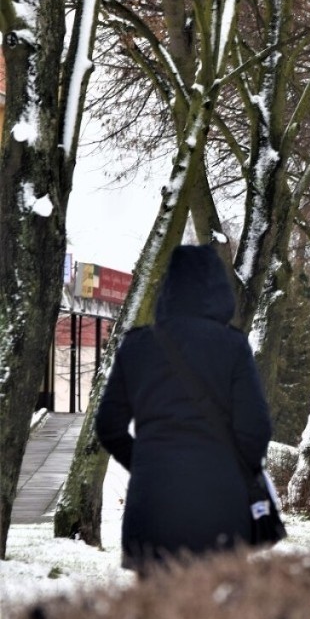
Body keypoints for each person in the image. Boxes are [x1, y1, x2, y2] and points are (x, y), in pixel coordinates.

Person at [96, 244, 273, 572]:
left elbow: (108, 426)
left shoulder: (138, 346)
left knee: (157, 614)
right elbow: (256, 428)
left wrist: (147, 462)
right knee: (218, 611)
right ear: (218, 290)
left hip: (152, 503)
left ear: (168, 289)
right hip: (220, 504)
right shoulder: (232, 346)